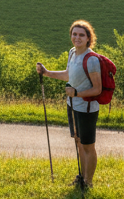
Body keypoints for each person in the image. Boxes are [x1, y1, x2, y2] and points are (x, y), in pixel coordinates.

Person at [35, 19, 103, 190]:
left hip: (86, 108)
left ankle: (88, 182)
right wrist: (47, 72)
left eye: (81, 35)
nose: (77, 38)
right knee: (79, 141)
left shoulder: (92, 59)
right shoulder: (72, 52)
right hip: (72, 104)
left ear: (89, 38)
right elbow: (68, 75)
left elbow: (97, 89)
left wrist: (77, 93)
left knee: (88, 146)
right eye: (74, 34)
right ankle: (82, 176)